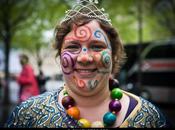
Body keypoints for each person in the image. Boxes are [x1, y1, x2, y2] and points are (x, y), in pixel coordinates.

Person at [5, 0, 170, 128]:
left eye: (97, 46)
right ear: (60, 54)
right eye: (73, 47)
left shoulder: (150, 117)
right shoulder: (28, 115)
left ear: (113, 56)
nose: (84, 58)